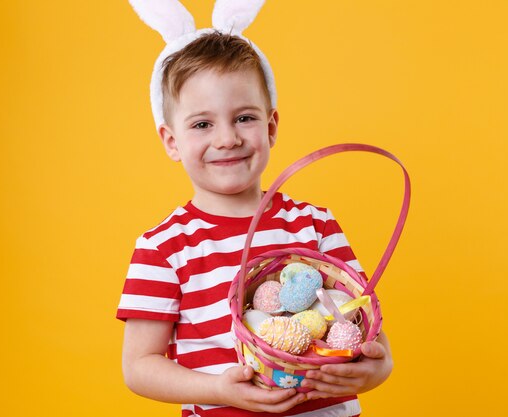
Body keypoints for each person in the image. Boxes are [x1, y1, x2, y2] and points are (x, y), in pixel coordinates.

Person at [117, 3, 392, 416]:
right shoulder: (164, 248)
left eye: (244, 117)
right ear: (171, 141)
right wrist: (220, 390)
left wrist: (371, 371)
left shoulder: (314, 225)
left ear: (271, 126)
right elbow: (139, 367)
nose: (227, 139)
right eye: (202, 124)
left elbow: (375, 342)